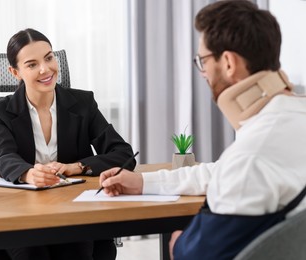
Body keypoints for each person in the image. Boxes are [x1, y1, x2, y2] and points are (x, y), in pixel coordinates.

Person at [99, 1, 306, 259]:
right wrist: (144, 181)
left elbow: (193, 254)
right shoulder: (292, 118)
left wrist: (177, 243)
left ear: (228, 62)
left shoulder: (251, 156)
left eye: (203, 60)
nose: (203, 72)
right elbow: (224, 171)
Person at [0, 28, 136, 260]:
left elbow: (123, 154)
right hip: (21, 214)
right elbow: (3, 157)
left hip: (73, 210)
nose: (45, 69)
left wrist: (77, 166)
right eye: (31, 64)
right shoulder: (0, 111)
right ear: (15, 72)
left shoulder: (82, 103)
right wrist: (28, 174)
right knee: (32, 252)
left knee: (74, 251)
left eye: (49, 58)